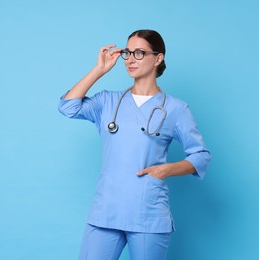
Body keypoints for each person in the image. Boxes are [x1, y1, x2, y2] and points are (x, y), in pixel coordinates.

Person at [57, 29, 211, 260]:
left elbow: (200, 155)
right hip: (106, 211)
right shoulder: (107, 101)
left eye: (139, 53)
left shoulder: (176, 109)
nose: (130, 59)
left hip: (147, 211)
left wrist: (165, 170)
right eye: (128, 52)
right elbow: (68, 107)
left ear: (158, 58)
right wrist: (99, 70)